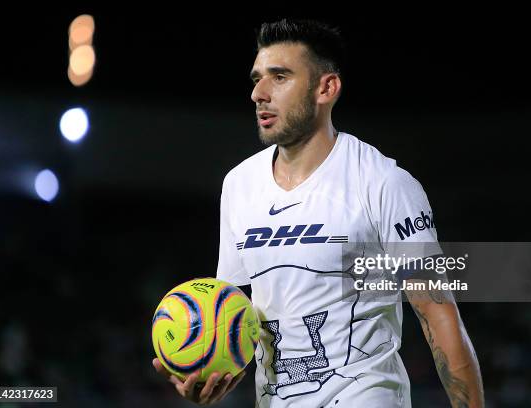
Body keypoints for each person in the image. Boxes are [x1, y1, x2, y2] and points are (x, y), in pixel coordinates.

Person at [154, 18, 484, 407]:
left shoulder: (382, 183)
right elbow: (240, 317)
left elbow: (439, 316)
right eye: (257, 78)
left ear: (326, 88)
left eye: (279, 77)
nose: (259, 93)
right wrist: (216, 369)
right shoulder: (239, 186)